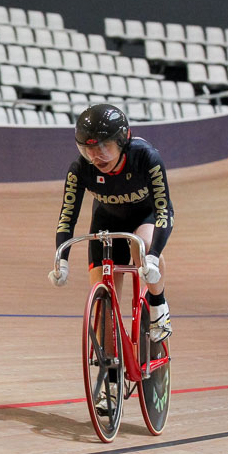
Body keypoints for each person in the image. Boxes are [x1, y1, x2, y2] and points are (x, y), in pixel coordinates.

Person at [47, 104, 174, 412]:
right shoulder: (80, 169)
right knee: (104, 310)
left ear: (124, 139)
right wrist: (61, 257)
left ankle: (158, 305)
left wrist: (154, 256)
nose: (96, 156)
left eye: (104, 146)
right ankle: (111, 385)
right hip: (106, 224)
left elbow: (163, 210)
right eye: (89, 149)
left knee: (142, 250)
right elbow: (68, 216)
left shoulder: (146, 157)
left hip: (145, 218)